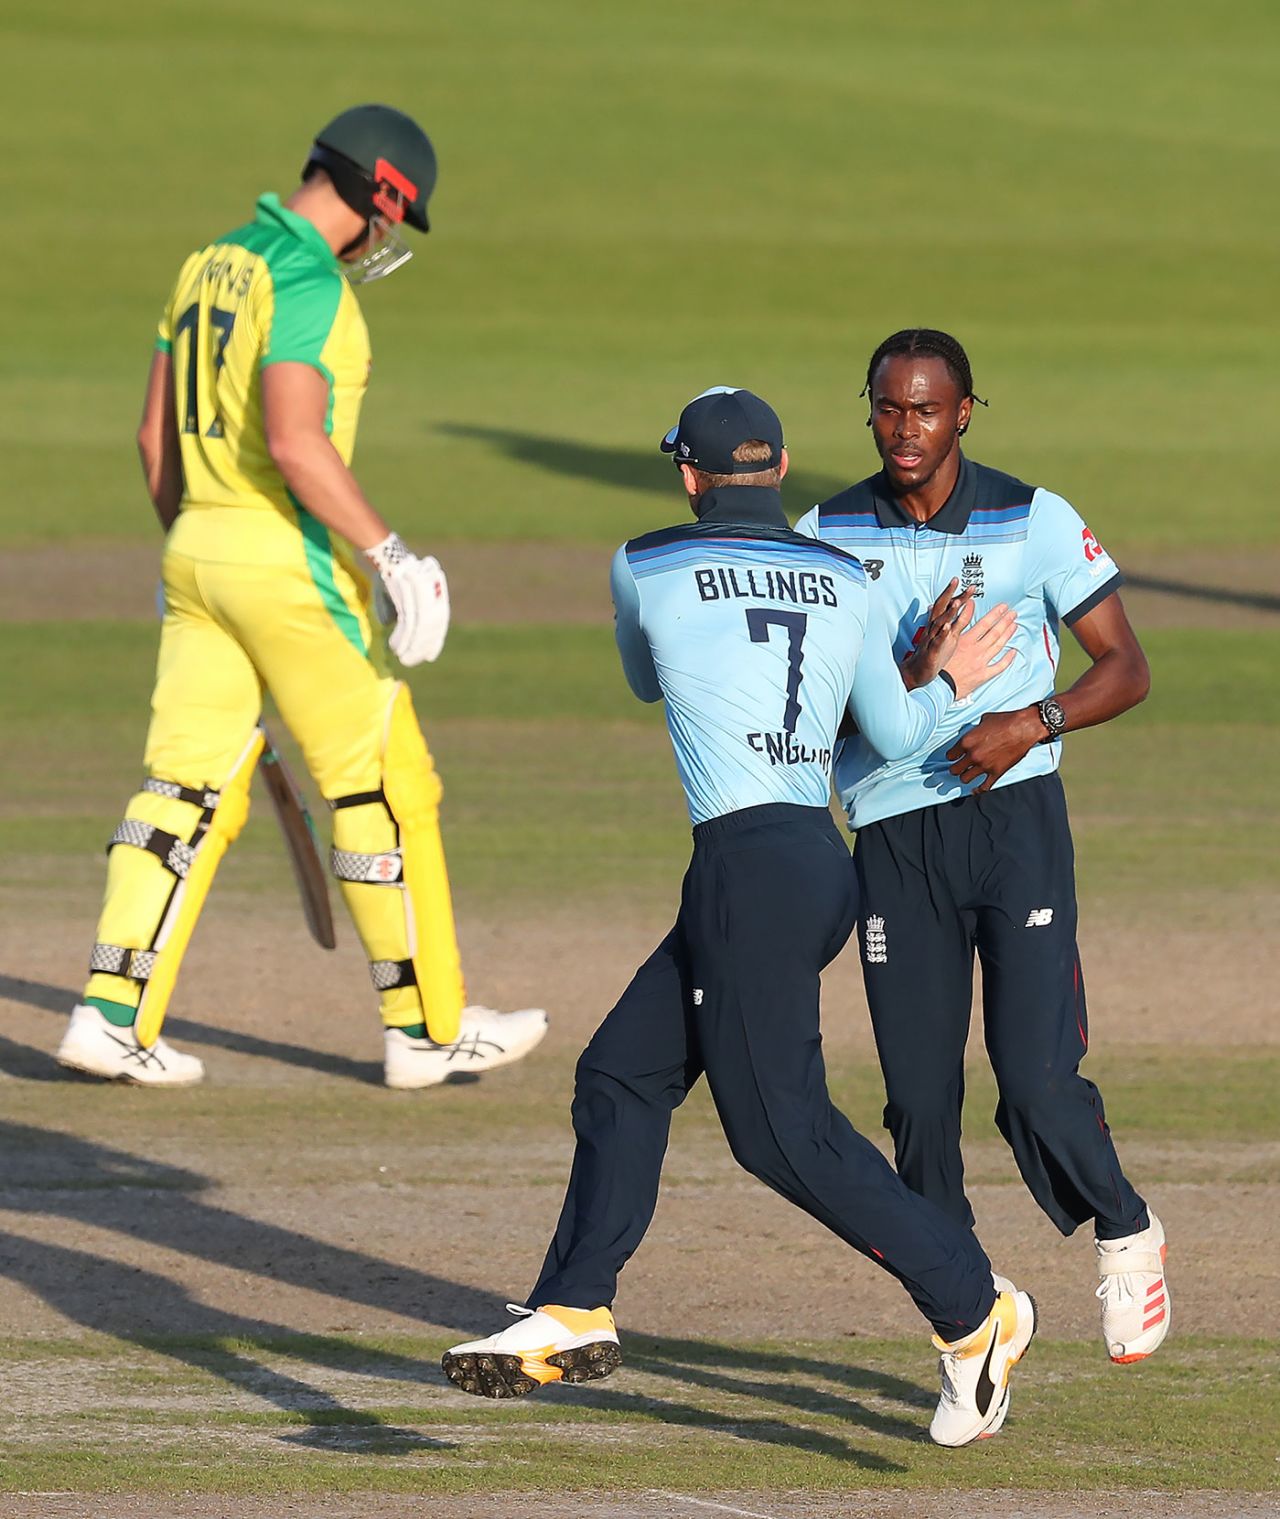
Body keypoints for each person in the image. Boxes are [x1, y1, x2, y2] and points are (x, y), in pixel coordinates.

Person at [442, 387, 1038, 1448]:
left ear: (687, 474)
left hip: (742, 868)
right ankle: (574, 1301)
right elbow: (895, 729)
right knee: (621, 1072)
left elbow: (641, 676)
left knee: (778, 1133)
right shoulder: (845, 575)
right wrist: (940, 672)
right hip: (813, 860)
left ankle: (974, 1306)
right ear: (781, 467)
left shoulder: (643, 560)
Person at [55, 105, 546, 1091]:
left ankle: (110, 1015)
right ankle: (425, 1027)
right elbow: (292, 438)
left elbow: (157, 442)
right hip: (286, 561)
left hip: (195, 546)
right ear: (381, 196)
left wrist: (198, 564)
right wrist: (390, 554)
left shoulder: (209, 262)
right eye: (394, 219)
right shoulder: (309, 278)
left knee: (180, 790)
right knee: (381, 776)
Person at [795, 328, 1169, 1365]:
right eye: (886, 407)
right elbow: (805, 711)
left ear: (963, 412)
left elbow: (1125, 667)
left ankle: (1127, 1229)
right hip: (889, 836)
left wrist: (1026, 724)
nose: (904, 428)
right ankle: (968, 1321)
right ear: (866, 409)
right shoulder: (822, 534)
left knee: (1034, 1080)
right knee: (916, 1104)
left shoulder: (1031, 520)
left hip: (1013, 827)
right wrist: (908, 673)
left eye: (925, 409)